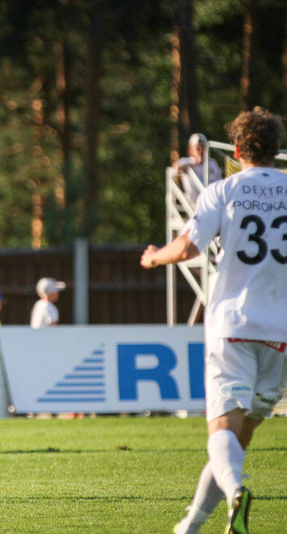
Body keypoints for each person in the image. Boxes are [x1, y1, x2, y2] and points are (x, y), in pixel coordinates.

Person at [141, 108, 286, 534]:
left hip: (233, 325)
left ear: (237, 151)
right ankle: (190, 526)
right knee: (237, 442)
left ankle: (236, 493)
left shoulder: (222, 191)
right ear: (277, 151)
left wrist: (154, 256)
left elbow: (187, 247)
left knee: (222, 431)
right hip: (281, 334)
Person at [173, 133, 223, 206]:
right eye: (198, 147)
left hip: (212, 202)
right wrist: (196, 163)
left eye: (203, 147)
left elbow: (219, 181)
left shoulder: (212, 163)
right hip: (194, 204)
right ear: (191, 149)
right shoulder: (186, 161)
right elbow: (176, 166)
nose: (201, 150)